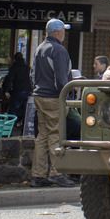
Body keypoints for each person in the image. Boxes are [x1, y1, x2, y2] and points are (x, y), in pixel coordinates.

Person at [30, 18, 76, 188]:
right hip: (54, 97)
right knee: (56, 134)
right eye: (63, 30)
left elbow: (32, 75)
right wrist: (67, 94)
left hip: (39, 96)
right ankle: (57, 173)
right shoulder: (59, 50)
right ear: (58, 32)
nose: (64, 33)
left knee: (42, 136)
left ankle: (38, 175)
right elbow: (61, 80)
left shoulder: (40, 48)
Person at [2, 52, 30, 125]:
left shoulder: (14, 67)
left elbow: (10, 79)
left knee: (13, 109)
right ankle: (22, 126)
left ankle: (10, 126)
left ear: (15, 59)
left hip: (17, 90)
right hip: (27, 91)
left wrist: (6, 90)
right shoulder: (27, 67)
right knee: (24, 109)